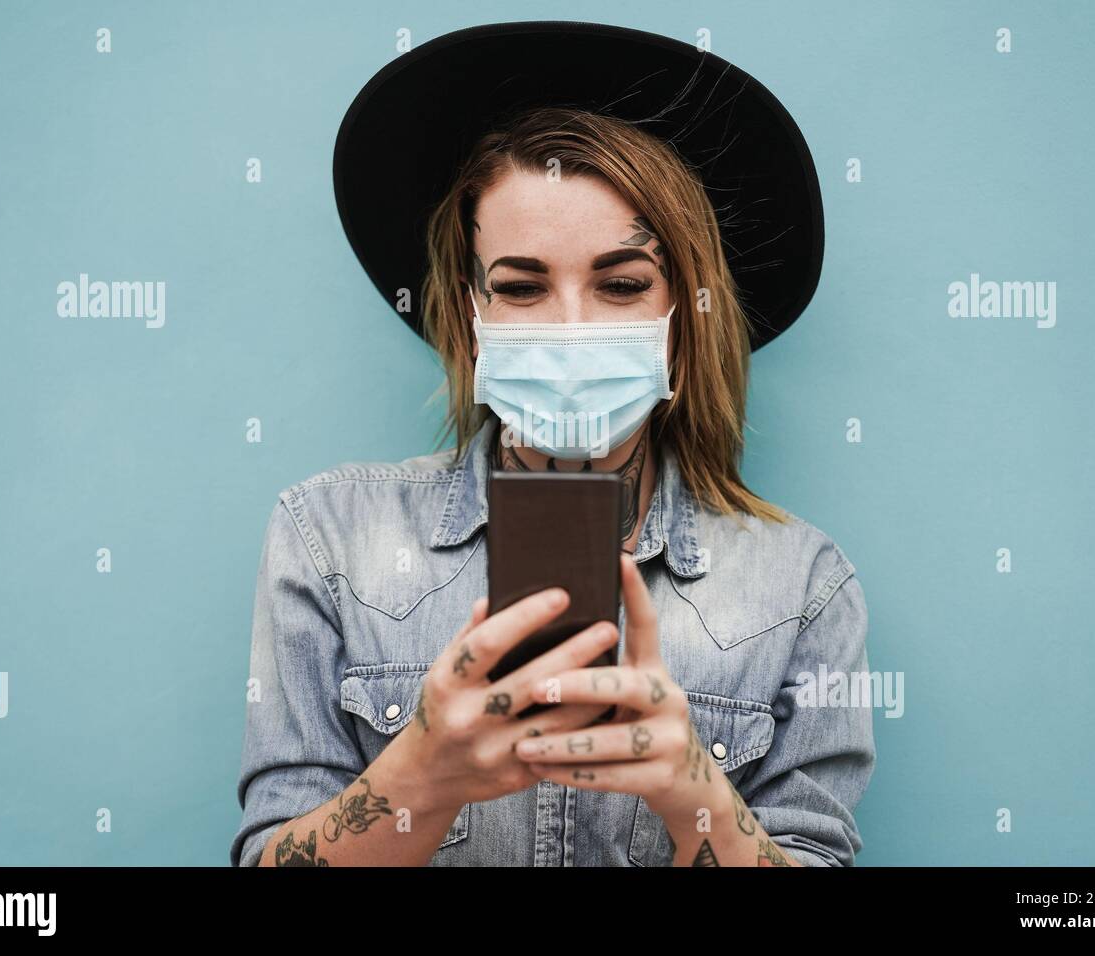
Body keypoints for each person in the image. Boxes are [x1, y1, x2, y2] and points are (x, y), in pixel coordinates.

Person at [231, 21, 874, 867]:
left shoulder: (804, 589)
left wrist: (692, 788)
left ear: (687, 318)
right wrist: (422, 770)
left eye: (621, 284)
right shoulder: (328, 536)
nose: (572, 329)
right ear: (472, 313)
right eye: (523, 286)